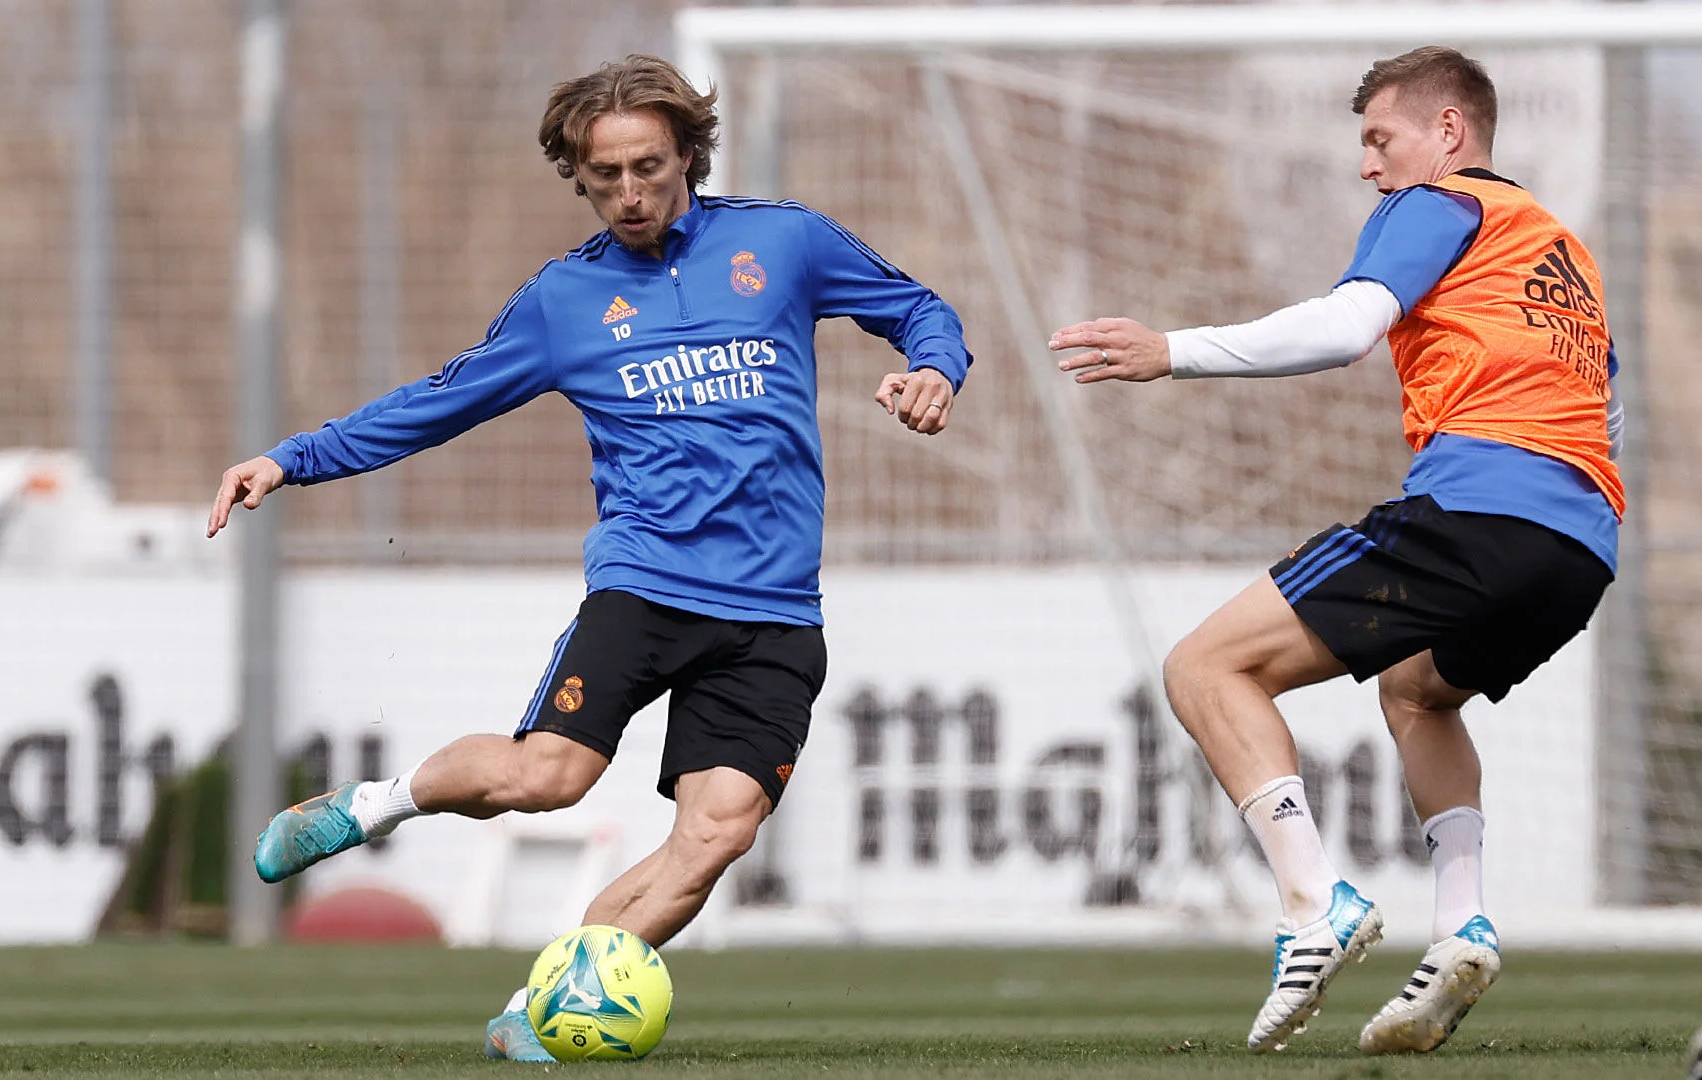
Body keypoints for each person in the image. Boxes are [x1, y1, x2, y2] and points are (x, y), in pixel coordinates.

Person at [207, 54, 971, 1061]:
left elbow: (922, 309)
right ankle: (376, 807)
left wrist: (930, 370)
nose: (628, 192)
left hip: (778, 609)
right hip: (646, 586)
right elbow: (436, 404)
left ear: (686, 155)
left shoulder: (782, 243)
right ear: (579, 174)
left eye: (646, 167)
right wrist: (290, 460)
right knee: (546, 779)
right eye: (603, 174)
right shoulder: (565, 302)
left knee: (717, 837)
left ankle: (539, 1010)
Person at [1049, 47, 1621, 1056]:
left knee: (1203, 668)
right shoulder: (1560, 248)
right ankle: (1462, 928)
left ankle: (1314, 903)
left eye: (1379, 138)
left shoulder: (1440, 203)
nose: (1369, 166)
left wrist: (1170, 352)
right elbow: (1601, 401)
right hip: (1582, 545)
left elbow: (1346, 326)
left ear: (1448, 133)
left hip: (1477, 511)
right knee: (1415, 691)